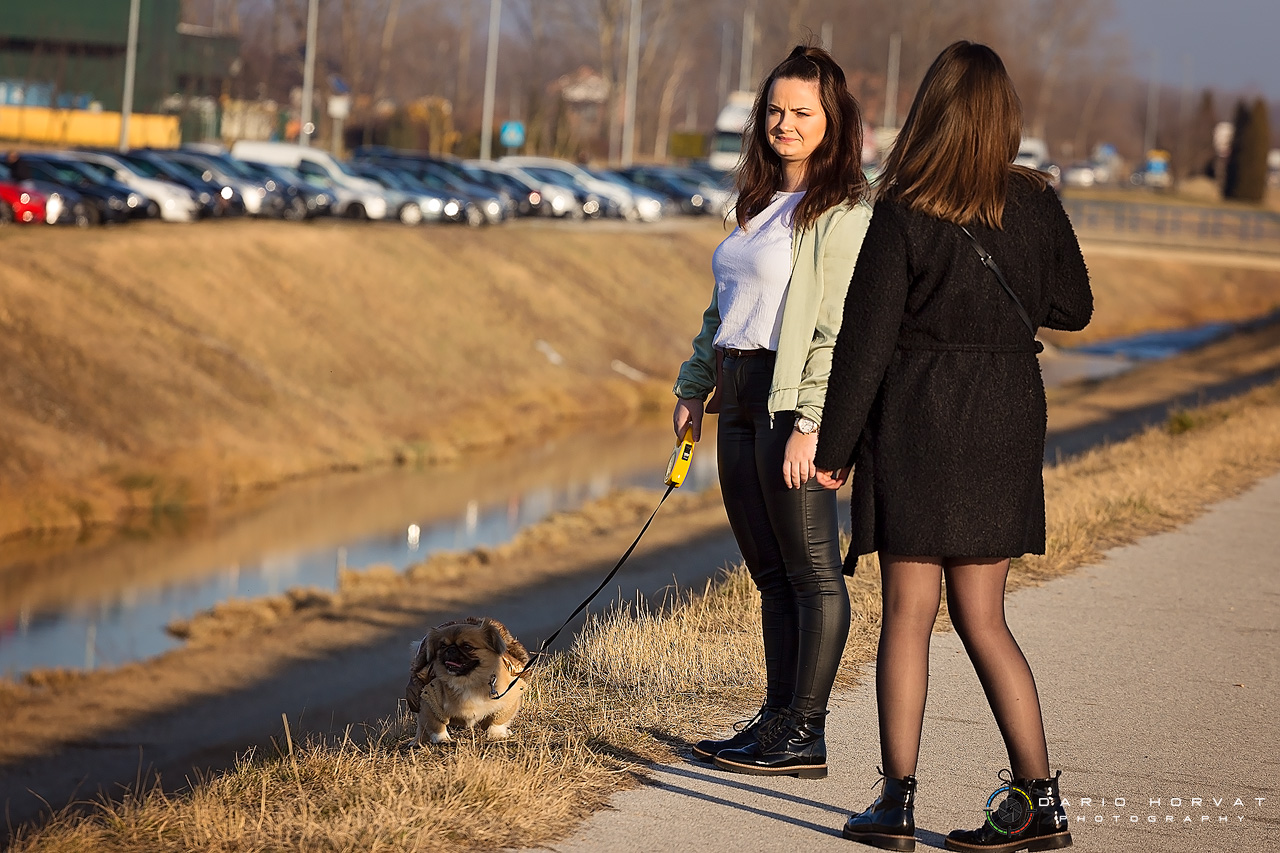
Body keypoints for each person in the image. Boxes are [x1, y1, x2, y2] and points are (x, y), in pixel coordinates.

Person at [812, 42, 1092, 851]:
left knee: (908, 614)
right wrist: (1002, 304)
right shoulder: (1035, 202)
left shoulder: (905, 207)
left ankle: (895, 804)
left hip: (921, 416)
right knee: (985, 617)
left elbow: (866, 343)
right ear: (1005, 117)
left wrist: (834, 448)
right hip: (1006, 414)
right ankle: (1040, 801)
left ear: (931, 111)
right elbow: (1074, 306)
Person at [671, 44, 872, 780]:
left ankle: (805, 732)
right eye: (775, 111)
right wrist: (694, 385)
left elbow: (838, 328)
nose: (784, 124)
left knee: (812, 570)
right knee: (770, 572)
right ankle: (776, 716)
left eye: (802, 112)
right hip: (737, 393)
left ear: (833, 120)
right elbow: (722, 308)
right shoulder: (756, 202)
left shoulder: (844, 212)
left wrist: (813, 424)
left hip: (790, 402)